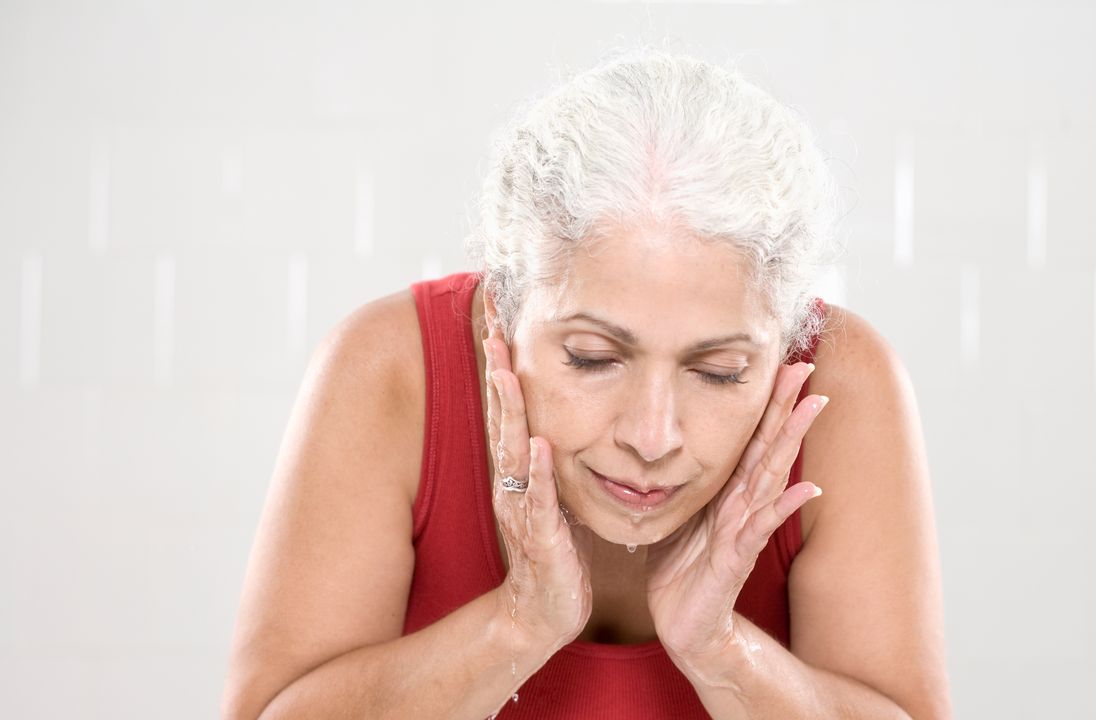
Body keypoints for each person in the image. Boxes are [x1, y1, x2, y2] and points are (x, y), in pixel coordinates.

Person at [222, 46, 952, 720]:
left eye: (718, 372)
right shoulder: (387, 370)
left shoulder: (838, 388)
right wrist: (516, 625)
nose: (651, 436)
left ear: (783, 340)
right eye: (593, 358)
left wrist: (724, 653)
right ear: (504, 309)